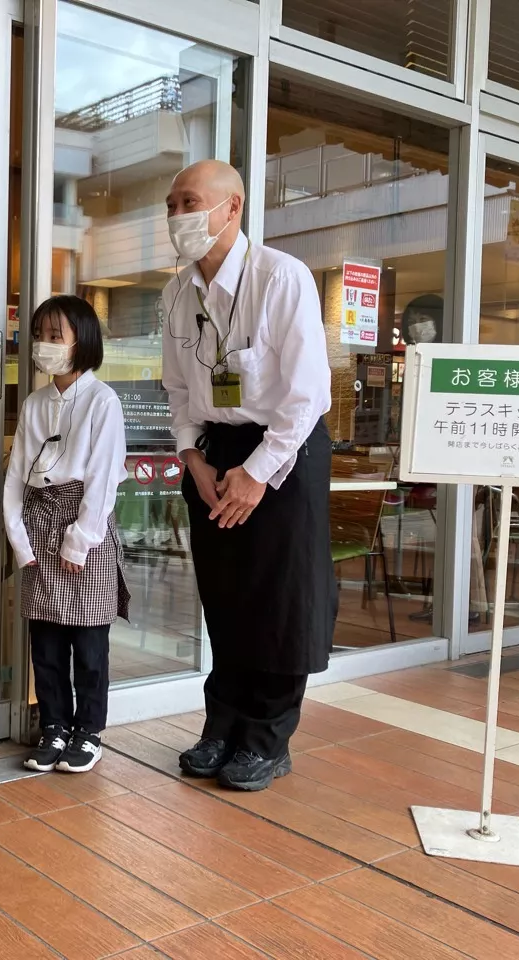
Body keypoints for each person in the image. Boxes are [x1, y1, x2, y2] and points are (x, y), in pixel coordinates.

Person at [161, 159, 336, 792]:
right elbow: (179, 389)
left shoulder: (281, 277)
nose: (179, 215)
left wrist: (257, 474)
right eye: (173, 204)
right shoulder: (178, 292)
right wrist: (195, 460)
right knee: (226, 597)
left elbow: (306, 394)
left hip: (284, 451)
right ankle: (223, 727)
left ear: (231, 207)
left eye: (190, 201)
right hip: (212, 453)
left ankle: (267, 737)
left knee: (280, 600)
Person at [4, 296, 129, 775]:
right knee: (46, 640)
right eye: (40, 334)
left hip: (85, 529)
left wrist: (79, 541)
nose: (45, 345)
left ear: (83, 341)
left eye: (56, 336)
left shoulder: (103, 401)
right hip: (38, 529)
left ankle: (88, 731)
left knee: (89, 641)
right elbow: (15, 476)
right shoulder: (35, 404)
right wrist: (20, 541)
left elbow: (102, 479)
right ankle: (53, 725)